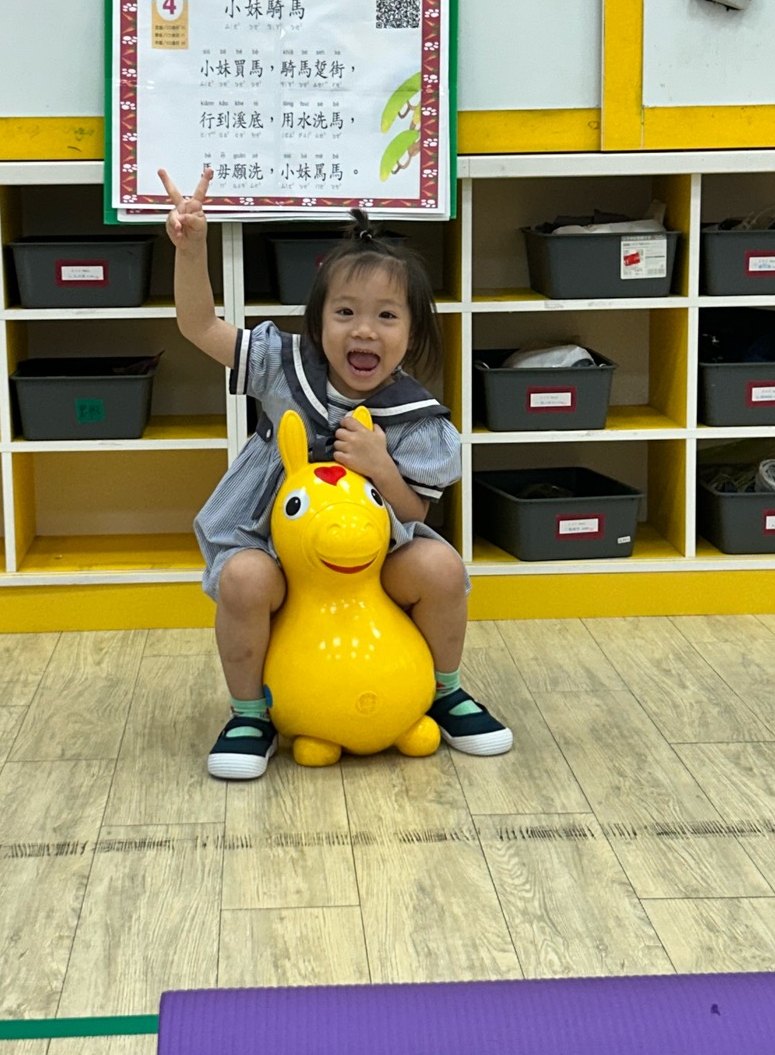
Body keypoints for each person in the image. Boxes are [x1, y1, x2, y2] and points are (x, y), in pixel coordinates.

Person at [160, 167, 514, 780]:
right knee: (241, 580)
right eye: (345, 312)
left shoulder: (413, 415)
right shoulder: (282, 367)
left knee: (442, 568)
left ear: (413, 333)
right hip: (276, 551)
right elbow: (200, 326)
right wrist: (191, 250)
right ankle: (250, 715)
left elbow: (415, 512)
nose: (364, 329)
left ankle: (444, 691)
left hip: (369, 564)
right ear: (318, 322)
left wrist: (381, 467)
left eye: (387, 316)